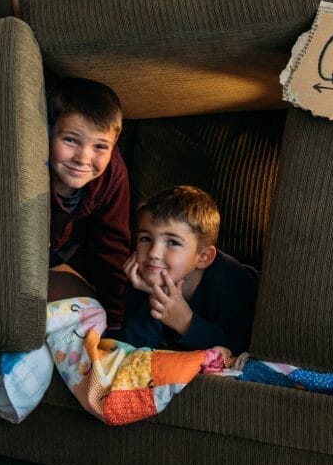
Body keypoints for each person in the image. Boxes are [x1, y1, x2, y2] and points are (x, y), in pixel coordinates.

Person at [120, 185, 258, 356]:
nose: (153, 252)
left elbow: (238, 349)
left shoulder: (235, 285)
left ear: (203, 257)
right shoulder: (143, 277)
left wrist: (186, 322)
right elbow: (130, 350)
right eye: (146, 239)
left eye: (173, 242)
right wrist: (154, 297)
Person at [47, 77, 131, 330]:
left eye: (100, 146)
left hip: (64, 258)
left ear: (114, 144)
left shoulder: (113, 173)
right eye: (71, 140)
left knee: (93, 314)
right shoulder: (32, 164)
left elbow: (112, 247)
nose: (83, 158)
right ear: (49, 131)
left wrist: (115, 326)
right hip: (22, 258)